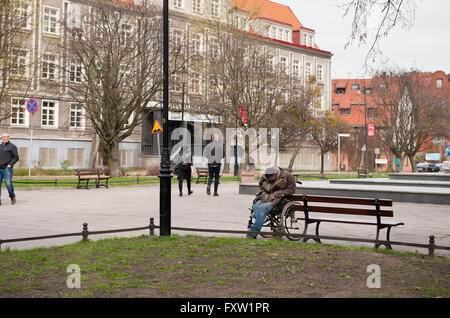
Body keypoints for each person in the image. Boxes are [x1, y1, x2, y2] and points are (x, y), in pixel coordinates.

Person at [247, 166, 296, 239]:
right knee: (256, 206)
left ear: (276, 174)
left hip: (280, 200)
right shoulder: (265, 177)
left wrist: (276, 194)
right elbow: (261, 185)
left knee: (262, 208)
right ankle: (259, 217)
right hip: (267, 198)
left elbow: (291, 190)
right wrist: (263, 192)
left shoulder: (287, 176)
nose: (269, 181)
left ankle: (253, 232)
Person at [0, 133, 19, 205]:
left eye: (6, 137)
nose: (4, 138)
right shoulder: (0, 146)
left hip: (7, 169)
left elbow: (16, 157)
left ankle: (12, 196)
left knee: (8, 184)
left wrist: (10, 164)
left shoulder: (12, 146)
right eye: (3, 137)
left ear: (9, 138)